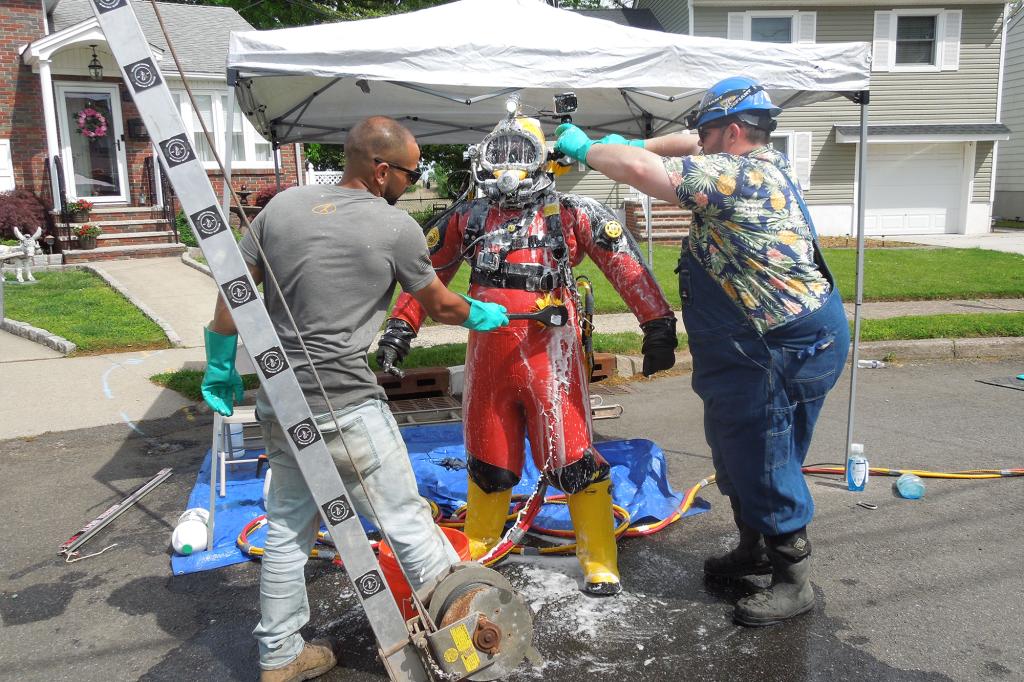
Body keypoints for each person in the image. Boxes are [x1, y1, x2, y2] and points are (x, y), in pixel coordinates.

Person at [199, 116, 509, 681]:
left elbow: (232, 299)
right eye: (411, 175)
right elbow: (439, 305)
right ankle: (468, 646)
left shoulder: (282, 208)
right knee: (407, 523)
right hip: (344, 403)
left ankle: (280, 656)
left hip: (279, 398)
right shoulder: (394, 228)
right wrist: (486, 314)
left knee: (288, 529)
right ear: (381, 168)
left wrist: (220, 366)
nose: (412, 184)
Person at [554, 76, 850, 626]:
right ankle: (753, 549)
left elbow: (647, 175)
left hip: (777, 344)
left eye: (708, 133)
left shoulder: (740, 173)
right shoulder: (758, 157)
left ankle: (792, 580)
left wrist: (588, 149)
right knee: (737, 445)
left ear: (734, 132)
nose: (699, 142)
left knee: (765, 453)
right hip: (769, 338)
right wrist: (636, 141)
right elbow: (675, 149)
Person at [376, 110, 677, 597]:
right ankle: (481, 546)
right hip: (489, 359)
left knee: (572, 455)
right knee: (488, 458)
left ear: (544, 161)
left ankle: (599, 559)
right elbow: (424, 272)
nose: (509, 169)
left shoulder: (571, 213)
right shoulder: (468, 217)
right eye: (502, 156)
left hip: (550, 357)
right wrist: (399, 327)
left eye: (522, 155)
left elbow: (624, 263)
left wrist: (657, 324)